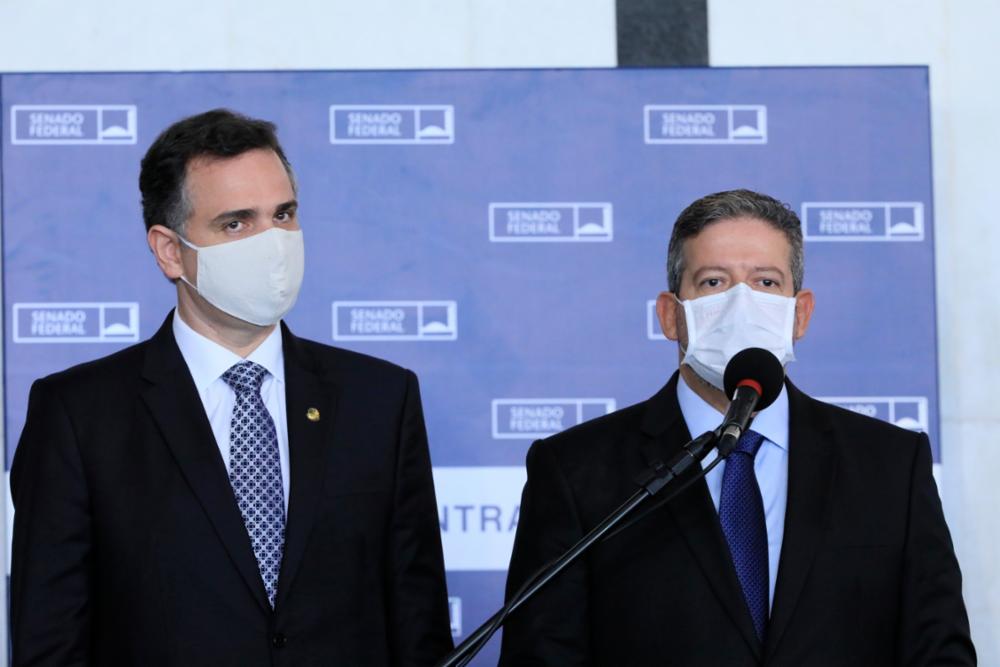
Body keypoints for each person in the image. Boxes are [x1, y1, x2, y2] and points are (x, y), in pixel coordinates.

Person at [10, 109, 454, 667]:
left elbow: (421, 631)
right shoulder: (78, 415)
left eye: (284, 215)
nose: (273, 244)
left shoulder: (380, 399)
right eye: (236, 224)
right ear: (170, 250)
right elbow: (49, 640)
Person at [499, 189, 975, 666]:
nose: (741, 304)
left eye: (766, 282)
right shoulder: (575, 470)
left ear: (800, 313)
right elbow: (541, 656)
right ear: (670, 315)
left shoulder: (890, 465)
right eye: (713, 282)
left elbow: (938, 651)